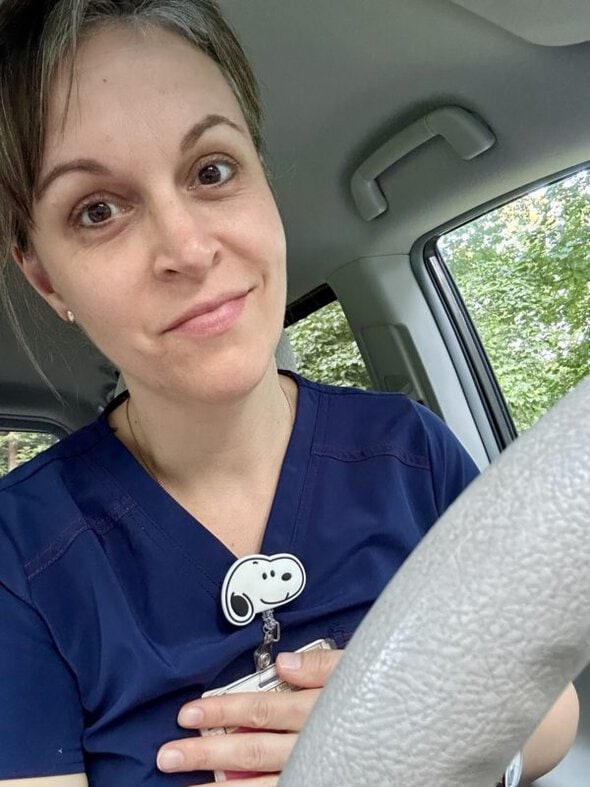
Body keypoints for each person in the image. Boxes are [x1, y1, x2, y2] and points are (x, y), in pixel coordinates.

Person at [0, 1, 579, 785]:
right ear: (44, 276)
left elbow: (550, 711)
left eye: (212, 170)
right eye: (97, 210)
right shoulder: (21, 553)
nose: (188, 247)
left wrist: (411, 736)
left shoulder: (408, 451)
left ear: (262, 183)